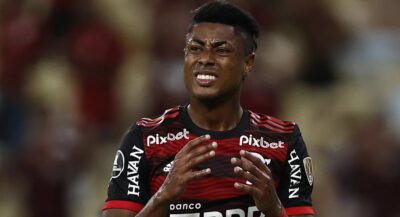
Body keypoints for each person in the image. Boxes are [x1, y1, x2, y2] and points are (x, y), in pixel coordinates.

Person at [102, 1, 314, 217]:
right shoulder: (144, 138)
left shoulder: (284, 141)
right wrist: (163, 196)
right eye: (195, 49)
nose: (205, 59)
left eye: (221, 50)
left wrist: (274, 209)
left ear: (248, 63)